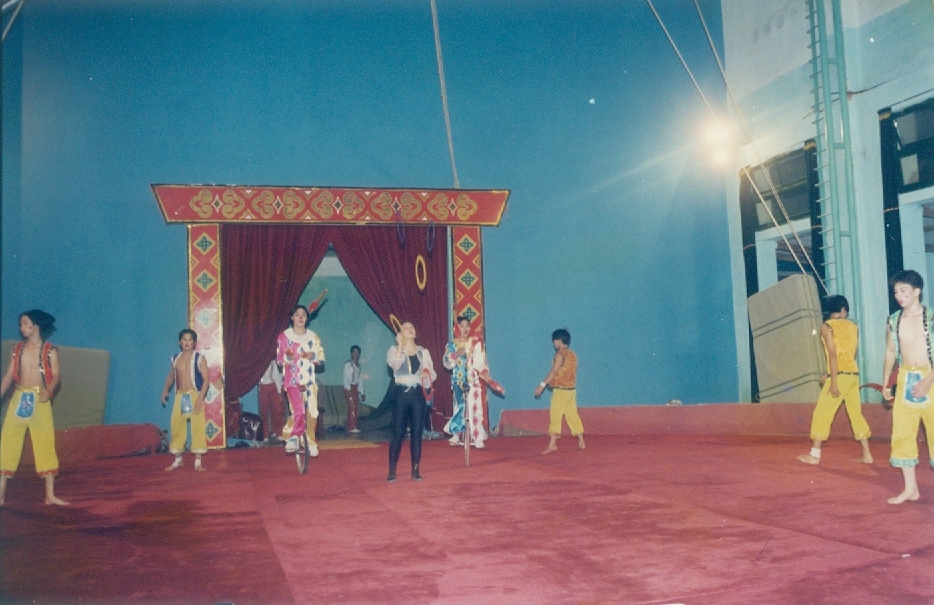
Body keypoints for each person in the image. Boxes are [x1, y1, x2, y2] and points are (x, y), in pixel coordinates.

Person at [0, 310, 68, 506]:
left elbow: (56, 375)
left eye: (25, 323)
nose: (22, 327)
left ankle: (50, 495)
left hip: (40, 400)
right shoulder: (17, 349)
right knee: (8, 441)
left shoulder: (50, 350)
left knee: (45, 442)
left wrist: (49, 390)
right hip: (19, 398)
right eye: (21, 324)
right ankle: (1, 495)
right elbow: (8, 376)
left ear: (36, 326)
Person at [796, 295, 873, 465]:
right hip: (853, 375)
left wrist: (834, 381)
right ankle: (867, 454)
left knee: (822, 413)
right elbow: (851, 355)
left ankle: (814, 455)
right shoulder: (854, 327)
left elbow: (833, 354)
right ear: (843, 310)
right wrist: (830, 375)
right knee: (855, 414)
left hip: (839, 376)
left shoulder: (826, 326)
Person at [882, 269, 934, 504]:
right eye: (896, 292)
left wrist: (929, 379)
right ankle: (910, 489)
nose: (899, 296)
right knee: (902, 434)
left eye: (903, 291)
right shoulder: (893, 320)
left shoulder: (931, 317)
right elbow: (890, 351)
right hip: (905, 379)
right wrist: (887, 382)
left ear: (917, 291)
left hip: (930, 378)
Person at [386, 321, 436, 481]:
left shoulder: (423, 352)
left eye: (412, 327)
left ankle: (415, 470)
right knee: (398, 432)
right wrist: (400, 346)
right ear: (400, 333)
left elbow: (432, 374)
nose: (409, 329)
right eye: (405, 328)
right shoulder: (394, 350)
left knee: (417, 433)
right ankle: (392, 470)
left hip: (417, 394)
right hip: (401, 393)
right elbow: (395, 365)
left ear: (415, 333)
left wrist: (426, 374)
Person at [277, 305, 324, 457]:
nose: (300, 317)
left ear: (307, 318)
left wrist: (313, 356)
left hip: (309, 381)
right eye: (297, 314)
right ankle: (293, 437)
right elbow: (279, 360)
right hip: (293, 381)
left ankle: (310, 442)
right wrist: (288, 357)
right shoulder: (284, 337)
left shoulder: (313, 337)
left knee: (312, 413)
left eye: (303, 314)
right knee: (299, 410)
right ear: (292, 317)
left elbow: (321, 359)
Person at [161, 328, 210, 471]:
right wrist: (165, 390)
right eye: (184, 339)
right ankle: (178, 459)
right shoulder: (175, 358)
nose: (187, 342)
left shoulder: (199, 358)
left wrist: (200, 398)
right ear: (180, 342)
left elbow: (206, 381)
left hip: (194, 394)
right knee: (177, 424)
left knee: (197, 426)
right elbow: (171, 375)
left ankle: (198, 462)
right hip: (180, 396)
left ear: (194, 343)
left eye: (190, 340)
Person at [443, 316, 491, 449]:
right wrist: (456, 354)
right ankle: (456, 434)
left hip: (473, 381)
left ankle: (477, 437)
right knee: (460, 408)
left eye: (467, 325)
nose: (465, 328)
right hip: (458, 382)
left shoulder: (475, 343)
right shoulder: (451, 345)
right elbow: (446, 363)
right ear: (456, 328)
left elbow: (480, 362)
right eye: (462, 325)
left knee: (475, 408)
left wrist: (484, 372)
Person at [534, 328, 585, 455]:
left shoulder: (559, 355)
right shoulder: (573, 355)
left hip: (561, 391)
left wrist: (542, 385)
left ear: (559, 340)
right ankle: (581, 440)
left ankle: (552, 444)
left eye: (554, 341)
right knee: (572, 415)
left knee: (555, 415)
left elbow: (554, 371)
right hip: (571, 391)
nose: (553, 343)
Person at [258, 358, 286, 442]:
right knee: (264, 412)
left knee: (277, 410)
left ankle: (279, 433)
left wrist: (279, 392)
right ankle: (265, 435)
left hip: (273, 386)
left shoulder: (272, 362)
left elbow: (276, 377)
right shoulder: (258, 362)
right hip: (262, 386)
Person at [342, 345, 366, 433]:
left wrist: (362, 392)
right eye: (353, 352)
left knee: (354, 407)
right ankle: (352, 426)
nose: (355, 354)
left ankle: (351, 426)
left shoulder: (359, 366)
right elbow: (345, 378)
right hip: (348, 387)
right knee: (352, 406)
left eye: (357, 352)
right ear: (351, 353)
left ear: (359, 354)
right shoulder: (347, 365)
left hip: (355, 388)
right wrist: (348, 389)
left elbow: (360, 380)